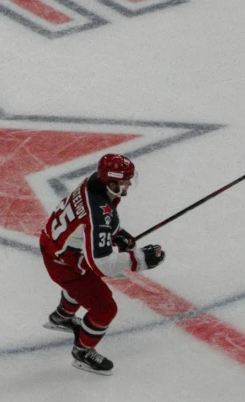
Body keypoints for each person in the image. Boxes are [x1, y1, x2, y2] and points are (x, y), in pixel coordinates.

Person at [40, 151, 163, 374]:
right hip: (66, 263)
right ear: (112, 181)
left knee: (84, 286)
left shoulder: (95, 182)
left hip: (58, 249)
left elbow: (91, 224)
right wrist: (139, 259)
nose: (128, 185)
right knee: (105, 308)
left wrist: (115, 233)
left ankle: (61, 317)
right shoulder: (98, 212)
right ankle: (82, 352)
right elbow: (102, 265)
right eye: (124, 181)